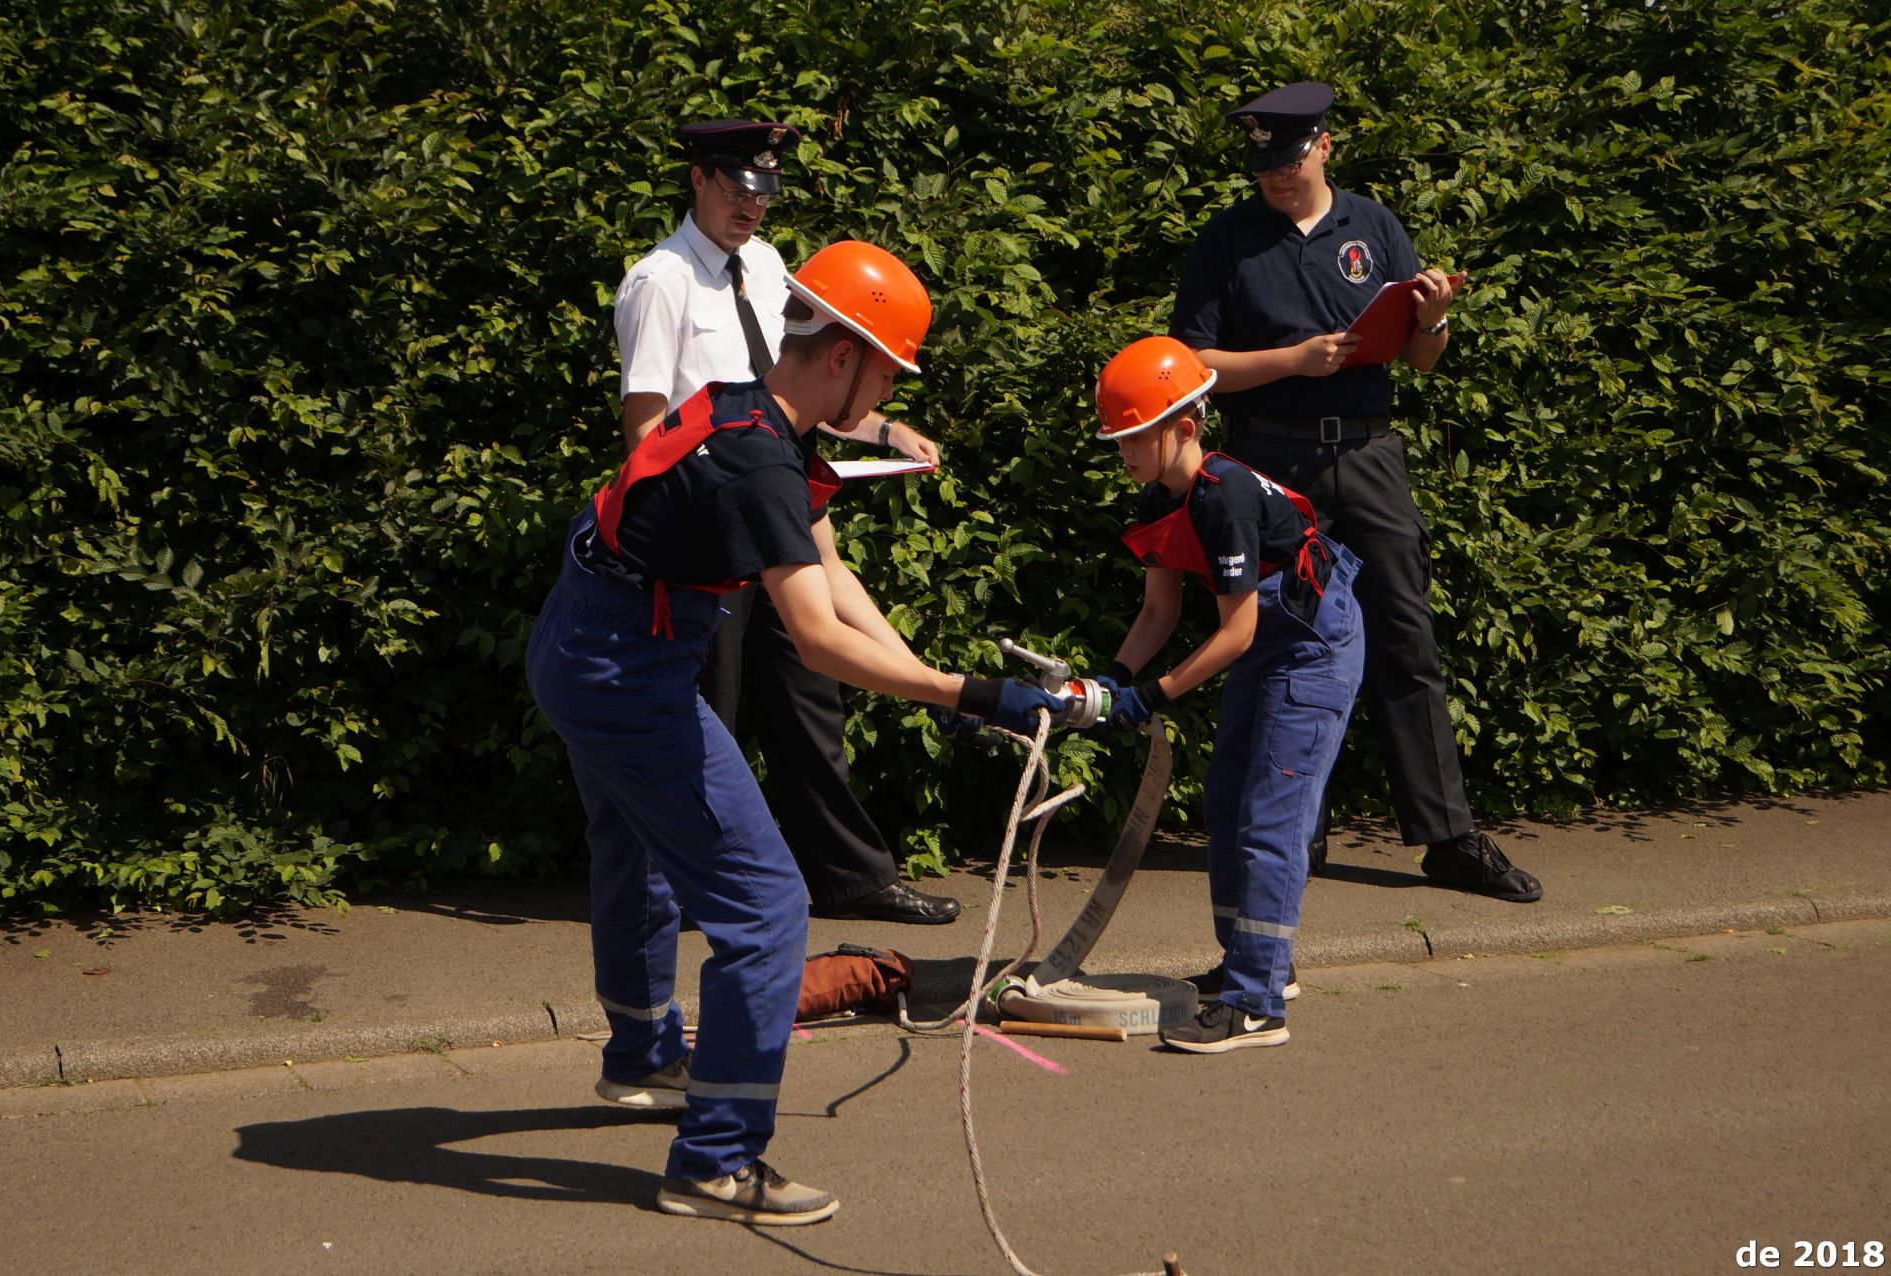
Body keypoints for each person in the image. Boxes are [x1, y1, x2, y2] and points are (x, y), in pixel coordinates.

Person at [527, 241, 1068, 1222]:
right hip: (627, 670)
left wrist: (937, 688)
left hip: (583, 643)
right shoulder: (760, 463)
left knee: (641, 852)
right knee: (767, 907)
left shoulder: (749, 411)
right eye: (889, 373)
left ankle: (643, 1056)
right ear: (844, 354)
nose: (890, 393)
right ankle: (714, 1161)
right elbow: (815, 639)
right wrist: (973, 693)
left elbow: (835, 578)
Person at [1169, 81, 1542, 903]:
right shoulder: (1226, 239)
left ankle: (1447, 838)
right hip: (1272, 463)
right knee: (1282, 648)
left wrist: (1433, 318)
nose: (1276, 177)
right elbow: (1191, 364)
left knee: (1407, 642)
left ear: (1325, 146)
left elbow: (1420, 358)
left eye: (1290, 161)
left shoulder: (1375, 226)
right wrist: (1292, 361)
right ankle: (1292, 829)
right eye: (1263, 166)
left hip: (1370, 457)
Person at [613, 118, 961, 926]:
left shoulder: (768, 267)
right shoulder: (660, 281)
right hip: (711, 529)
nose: (751, 207)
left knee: (811, 698)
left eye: (763, 192)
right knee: (712, 705)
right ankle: (687, 887)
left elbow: (808, 380)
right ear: (698, 179)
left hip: (777, 497)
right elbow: (646, 433)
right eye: (737, 189)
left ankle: (851, 878)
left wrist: (882, 429)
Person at [1089, 336, 1364, 1052]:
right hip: (1268, 638)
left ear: (1184, 427)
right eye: (1116, 439)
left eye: (1133, 438)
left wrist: (1152, 696)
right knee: (1226, 797)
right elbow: (1159, 612)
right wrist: (1114, 678)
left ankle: (1256, 1005)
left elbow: (1236, 632)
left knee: (1273, 815)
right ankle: (1254, 960)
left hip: (1312, 646)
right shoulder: (1162, 495)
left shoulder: (1226, 497)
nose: (1123, 453)